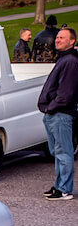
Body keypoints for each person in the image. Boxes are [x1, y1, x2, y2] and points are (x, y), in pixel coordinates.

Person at [38, 26, 78, 201]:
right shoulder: (64, 59)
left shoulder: (70, 61)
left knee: (64, 152)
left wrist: (51, 107)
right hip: (54, 113)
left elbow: (66, 93)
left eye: (62, 38)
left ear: (72, 41)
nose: (57, 39)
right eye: (57, 37)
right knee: (57, 152)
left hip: (61, 113)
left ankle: (64, 189)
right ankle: (59, 185)